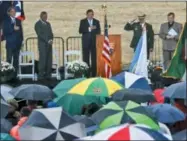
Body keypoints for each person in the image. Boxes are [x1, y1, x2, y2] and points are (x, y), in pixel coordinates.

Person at [79, 9, 101, 77]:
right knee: (86, 59)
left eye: (92, 14)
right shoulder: (83, 21)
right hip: (86, 43)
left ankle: (94, 74)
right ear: (87, 15)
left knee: (94, 59)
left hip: (94, 43)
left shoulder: (96, 21)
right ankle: (86, 74)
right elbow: (80, 30)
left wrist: (95, 29)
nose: (90, 16)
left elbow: (99, 31)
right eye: (89, 14)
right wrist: (89, 29)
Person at [3, 7, 23, 78]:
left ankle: (15, 76)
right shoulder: (6, 21)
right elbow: (5, 32)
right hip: (10, 44)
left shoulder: (18, 20)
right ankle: (7, 76)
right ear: (9, 13)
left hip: (17, 44)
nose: (14, 13)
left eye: (14, 11)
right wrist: (13, 29)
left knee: (16, 61)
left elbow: (20, 32)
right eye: (12, 11)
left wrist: (21, 41)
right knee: (8, 60)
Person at [35, 11, 53, 80]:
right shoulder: (37, 24)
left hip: (49, 45)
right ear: (41, 16)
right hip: (42, 45)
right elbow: (40, 34)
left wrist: (51, 39)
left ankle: (48, 75)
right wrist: (47, 40)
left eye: (46, 16)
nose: (46, 18)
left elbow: (51, 33)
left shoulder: (48, 24)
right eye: (44, 16)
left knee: (49, 60)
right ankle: (41, 76)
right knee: (42, 60)